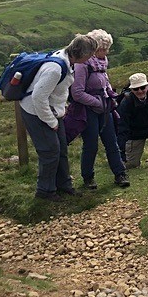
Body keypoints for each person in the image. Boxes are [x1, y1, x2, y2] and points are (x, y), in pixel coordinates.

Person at [20, 34, 98, 201]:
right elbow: (38, 98)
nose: (91, 57)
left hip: (53, 111)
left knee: (61, 148)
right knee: (50, 151)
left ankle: (64, 185)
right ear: (82, 54)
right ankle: (45, 192)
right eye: (91, 54)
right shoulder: (55, 69)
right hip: (36, 112)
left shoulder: (67, 60)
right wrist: (51, 121)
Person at [68, 29, 130, 190]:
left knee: (111, 141)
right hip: (88, 110)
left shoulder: (102, 63)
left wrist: (111, 95)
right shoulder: (83, 64)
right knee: (91, 145)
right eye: (101, 49)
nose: (105, 52)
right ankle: (88, 177)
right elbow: (77, 92)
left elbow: (104, 82)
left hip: (104, 107)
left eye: (107, 48)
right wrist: (96, 103)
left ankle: (120, 174)